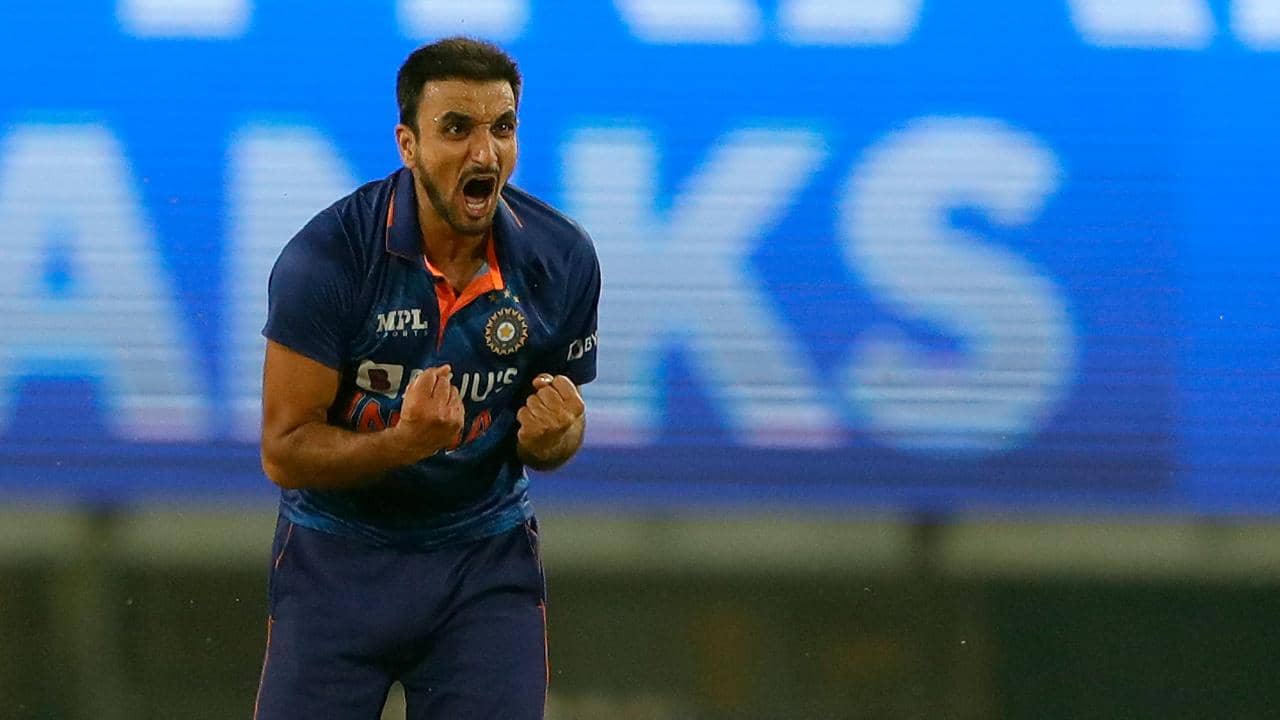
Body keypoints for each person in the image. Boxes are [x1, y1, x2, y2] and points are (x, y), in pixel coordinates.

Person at [252, 37, 600, 720]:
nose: (485, 153)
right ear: (407, 145)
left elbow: (553, 432)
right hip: (336, 562)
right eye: (457, 128)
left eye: (503, 127)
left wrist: (559, 435)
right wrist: (403, 443)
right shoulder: (328, 259)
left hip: (482, 562)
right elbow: (283, 451)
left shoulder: (561, 258)